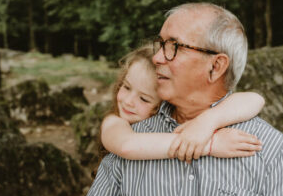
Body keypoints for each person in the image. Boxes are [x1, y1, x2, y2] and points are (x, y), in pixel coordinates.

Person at [81, 3, 283, 196]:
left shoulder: (269, 150)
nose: (158, 57)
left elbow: (255, 99)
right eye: (160, 44)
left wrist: (207, 123)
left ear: (216, 67)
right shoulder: (133, 136)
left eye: (173, 46)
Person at [98, 44, 265, 163]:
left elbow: (255, 99)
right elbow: (127, 145)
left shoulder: (166, 119)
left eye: (144, 99)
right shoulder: (114, 122)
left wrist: (207, 122)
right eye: (126, 87)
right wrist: (209, 144)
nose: (128, 101)